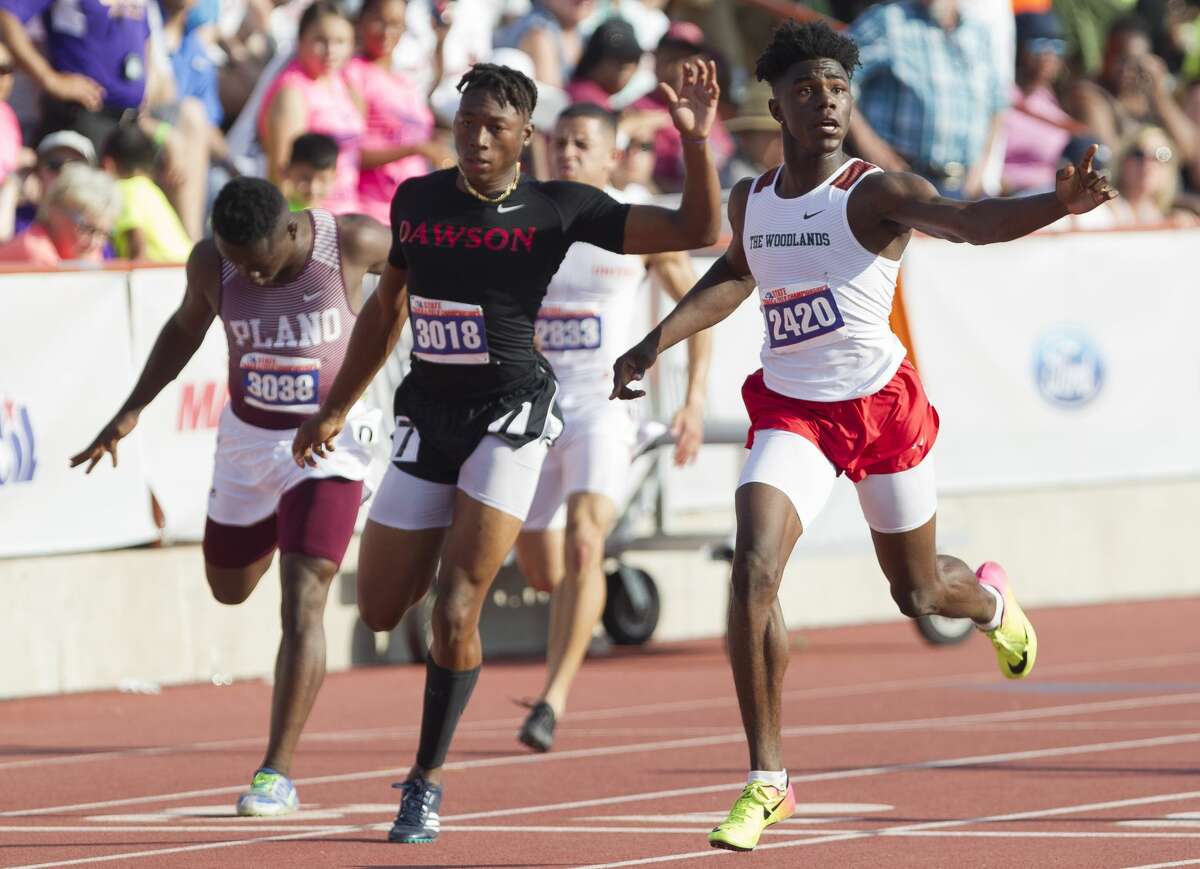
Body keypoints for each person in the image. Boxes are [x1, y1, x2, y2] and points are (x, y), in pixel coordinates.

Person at [610, 21, 1116, 853]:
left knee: (919, 594)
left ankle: (989, 600)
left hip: (880, 410)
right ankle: (766, 781)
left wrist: (1056, 204)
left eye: (839, 89)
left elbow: (969, 220)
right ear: (776, 104)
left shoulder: (872, 193)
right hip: (795, 412)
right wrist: (653, 339)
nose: (827, 102)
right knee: (754, 569)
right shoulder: (755, 198)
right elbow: (735, 274)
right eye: (808, 89)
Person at [291, 59, 721, 844]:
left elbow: (699, 231)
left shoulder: (559, 208)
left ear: (526, 137)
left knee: (460, 601)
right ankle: (435, 569)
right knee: (387, 606)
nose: (477, 139)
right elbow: (387, 309)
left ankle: (424, 781)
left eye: (494, 127)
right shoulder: (417, 200)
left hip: (512, 414)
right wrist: (336, 405)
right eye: (466, 124)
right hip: (428, 415)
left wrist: (694, 144)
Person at [70, 176, 391, 818]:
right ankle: (290, 526)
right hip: (249, 444)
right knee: (229, 587)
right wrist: (132, 410)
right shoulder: (211, 261)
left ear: (293, 231)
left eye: (264, 267)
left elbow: (428, 267)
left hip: (328, 444)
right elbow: (186, 327)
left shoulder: (349, 242)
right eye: (240, 265)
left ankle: (276, 773)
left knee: (302, 601)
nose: (254, 279)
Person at [513, 102, 712, 754]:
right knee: (542, 567)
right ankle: (579, 614)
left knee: (585, 541)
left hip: (604, 408)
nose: (567, 154)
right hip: (534, 411)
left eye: (580, 145)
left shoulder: (629, 220)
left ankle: (553, 697)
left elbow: (697, 303)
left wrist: (693, 398)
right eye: (559, 143)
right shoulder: (524, 218)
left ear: (608, 156)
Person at [846, 0, 1007, 198]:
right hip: (896, 183)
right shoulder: (887, 20)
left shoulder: (978, 33)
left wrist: (979, 169)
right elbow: (834, 78)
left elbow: (997, 103)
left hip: (961, 189)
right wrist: (873, 149)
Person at [344, 0, 450, 225]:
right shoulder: (353, 74)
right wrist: (416, 148)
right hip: (372, 214)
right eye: (379, 21)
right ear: (360, 22)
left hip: (413, 214)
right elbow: (351, 153)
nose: (386, 32)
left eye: (395, 24)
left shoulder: (404, 81)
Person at [258, 0, 364, 214]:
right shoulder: (292, 93)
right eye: (320, 40)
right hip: (313, 218)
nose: (330, 50)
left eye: (340, 41)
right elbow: (281, 177)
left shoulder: (344, 84)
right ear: (300, 40)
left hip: (350, 210)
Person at [100, 122, 192, 262]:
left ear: (108, 165)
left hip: (163, 274)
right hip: (183, 267)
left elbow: (138, 250)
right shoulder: (149, 188)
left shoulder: (123, 190)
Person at [0, 162, 118, 264]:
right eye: (86, 229)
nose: (94, 243)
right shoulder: (36, 254)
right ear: (55, 210)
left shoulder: (87, 253)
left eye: (104, 233)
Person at [565, 16, 643, 110]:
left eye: (632, 60)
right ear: (595, 61)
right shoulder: (584, 96)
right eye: (618, 61)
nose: (626, 70)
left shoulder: (601, 97)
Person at [283, 131, 339, 212]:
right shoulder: (281, 215)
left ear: (335, 176)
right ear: (286, 172)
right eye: (304, 178)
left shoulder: (335, 216)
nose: (313, 188)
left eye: (322, 179)